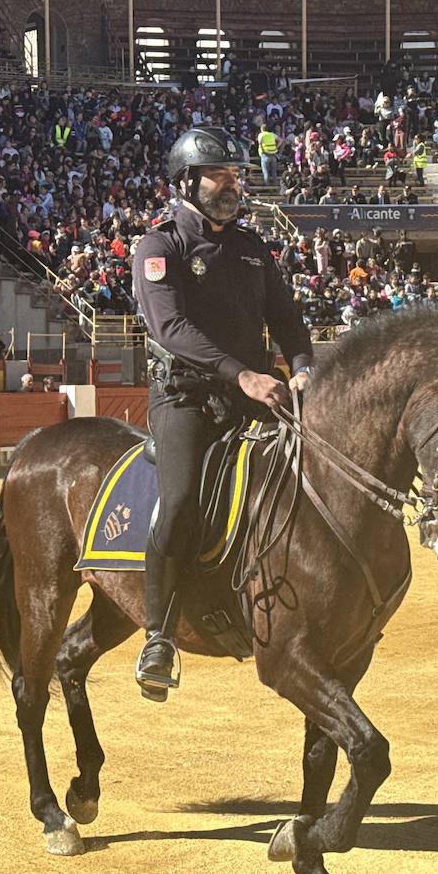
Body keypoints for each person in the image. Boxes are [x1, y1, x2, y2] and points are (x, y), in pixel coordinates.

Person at [131, 127, 314, 702]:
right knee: (182, 499)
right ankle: (158, 636)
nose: (232, 186)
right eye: (220, 176)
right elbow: (173, 331)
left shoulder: (252, 248)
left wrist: (303, 365)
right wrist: (246, 374)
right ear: (188, 182)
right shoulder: (158, 248)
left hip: (256, 394)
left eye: (236, 176)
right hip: (186, 399)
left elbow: (286, 319)